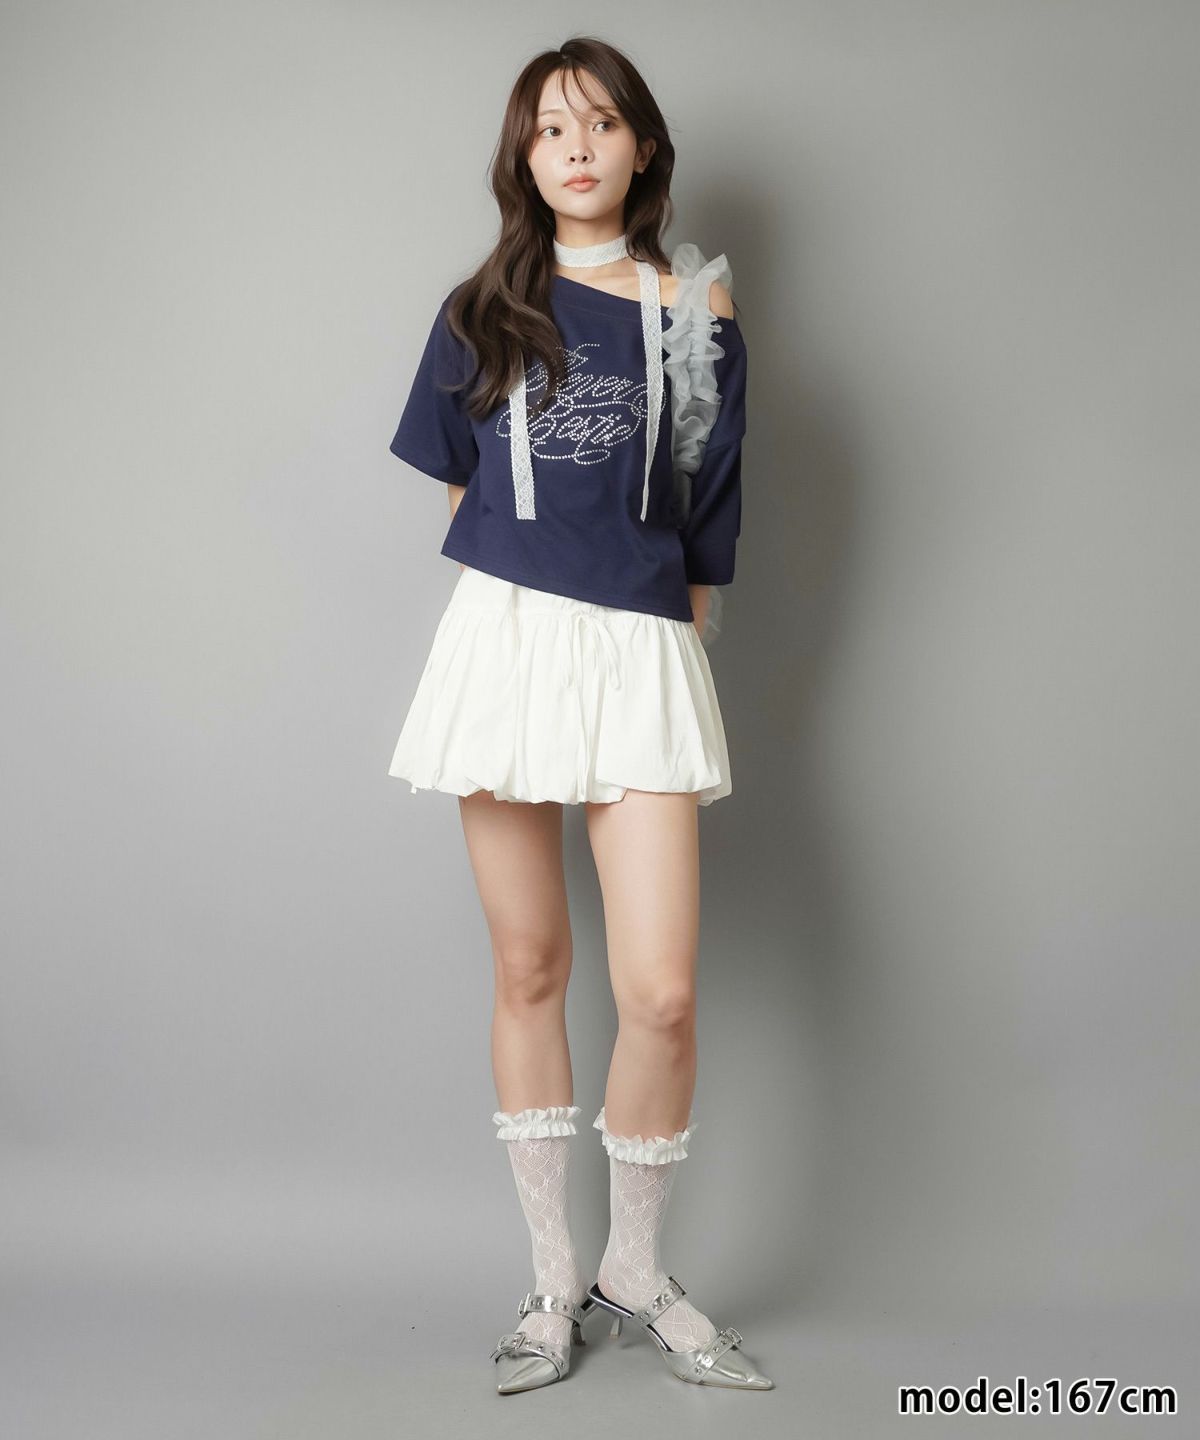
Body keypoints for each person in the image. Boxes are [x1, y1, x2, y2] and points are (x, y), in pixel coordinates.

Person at [385, 37, 773, 1394]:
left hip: (643, 648)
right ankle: (555, 1280)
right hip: (509, 645)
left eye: (601, 122)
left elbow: (708, 505)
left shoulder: (697, 310)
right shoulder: (477, 311)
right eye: (551, 129)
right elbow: (463, 498)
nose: (578, 146)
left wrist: (655, 626)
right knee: (533, 967)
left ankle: (636, 1270)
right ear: (525, 159)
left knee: (660, 992)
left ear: (643, 147)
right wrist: (535, 602)